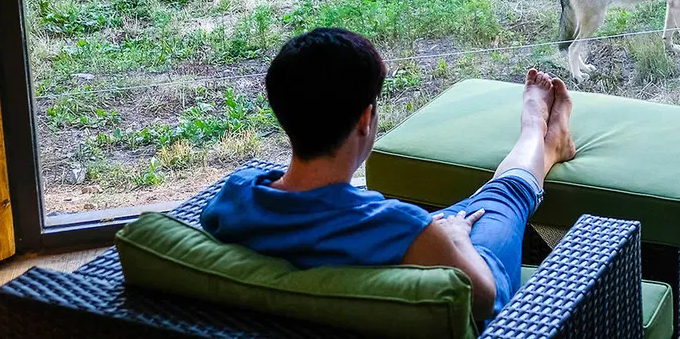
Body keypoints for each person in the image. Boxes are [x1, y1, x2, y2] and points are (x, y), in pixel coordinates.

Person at [199, 27, 577, 321]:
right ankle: (540, 139)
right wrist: (455, 240)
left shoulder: (235, 196)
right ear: (365, 119)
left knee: (477, 203)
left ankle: (541, 146)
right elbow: (483, 297)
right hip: (473, 277)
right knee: (502, 199)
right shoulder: (402, 226)